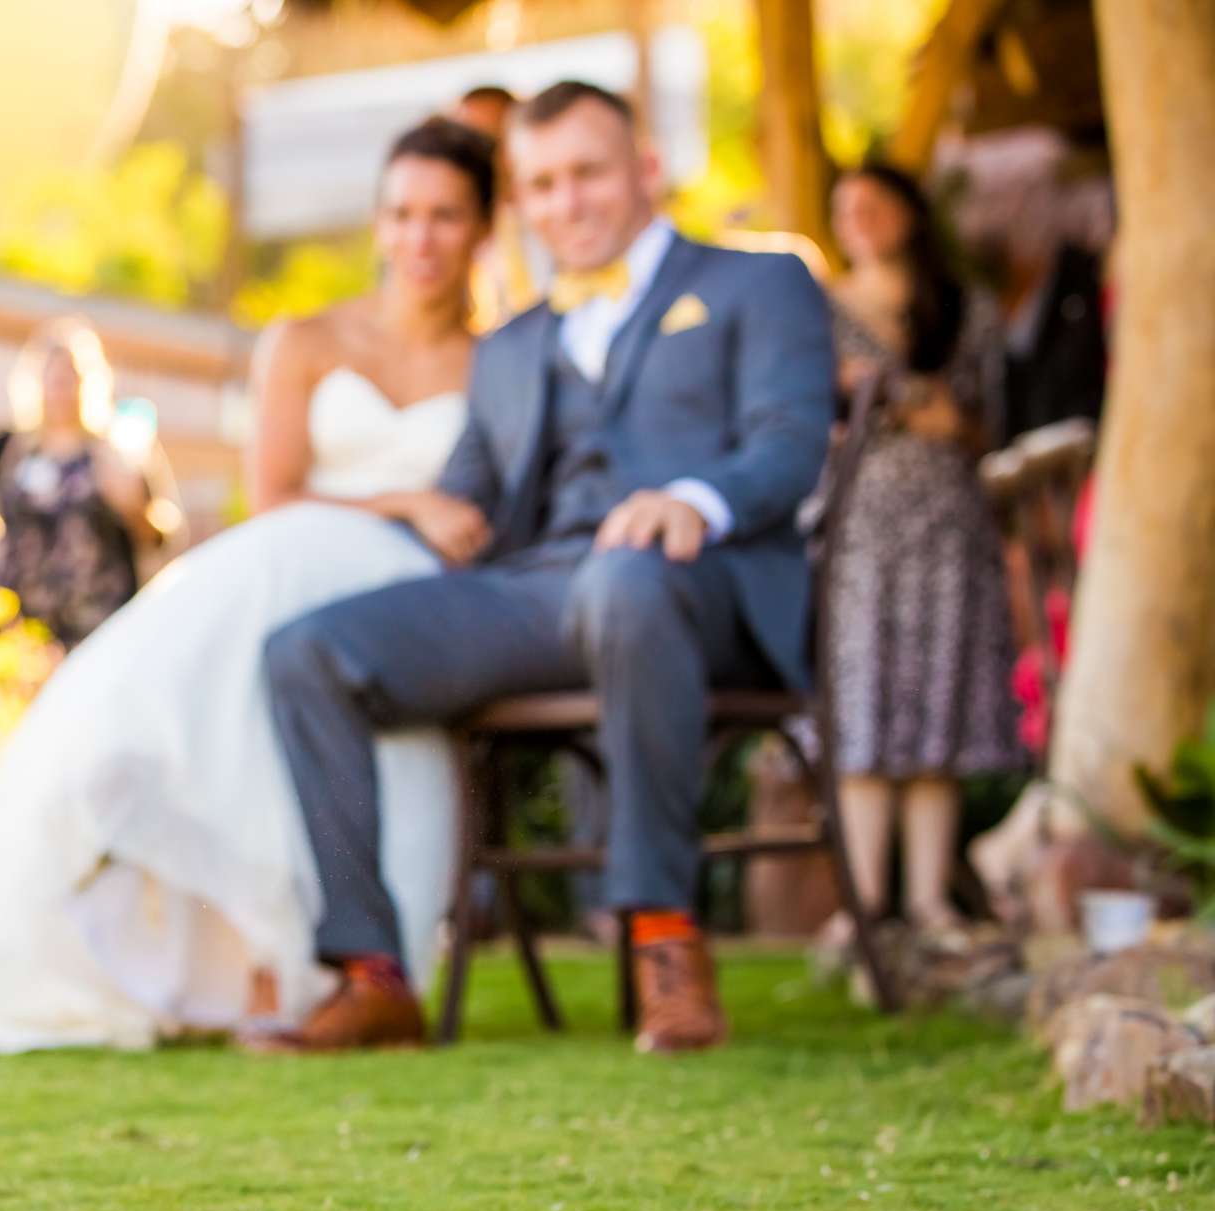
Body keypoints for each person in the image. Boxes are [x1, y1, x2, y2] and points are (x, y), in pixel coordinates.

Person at [0, 118, 494, 1051]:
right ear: (377, 222)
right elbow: (280, 492)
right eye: (402, 213)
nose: (420, 237)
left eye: (446, 216)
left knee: (302, 702)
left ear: (484, 228)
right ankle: (231, 947)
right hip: (295, 551)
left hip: (414, 593)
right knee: (177, 691)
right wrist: (411, 499)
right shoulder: (307, 339)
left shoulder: (504, 359)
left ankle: (306, 961)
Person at [260, 81, 835, 1054]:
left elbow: (790, 441)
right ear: (521, 202)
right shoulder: (515, 345)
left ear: (646, 170)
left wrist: (692, 500)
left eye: (588, 174)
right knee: (309, 651)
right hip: (539, 592)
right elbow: (469, 494)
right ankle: (374, 971)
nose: (567, 202)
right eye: (542, 184)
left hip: (703, 585)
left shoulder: (757, 284)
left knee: (628, 576)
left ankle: (664, 936)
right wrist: (421, 514)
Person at [821, 163, 1025, 948]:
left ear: (910, 213)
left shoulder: (962, 309)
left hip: (949, 523)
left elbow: (983, 421)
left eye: (873, 205)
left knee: (939, 701)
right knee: (866, 698)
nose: (859, 220)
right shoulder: (820, 310)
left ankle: (931, 902)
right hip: (863, 526)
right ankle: (865, 902)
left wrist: (909, 403)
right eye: (846, 209)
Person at [0, 318, 184, 648]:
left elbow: (163, 536)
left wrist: (132, 508)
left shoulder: (116, 448)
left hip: (94, 626)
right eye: (53, 377)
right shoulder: (16, 450)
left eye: (70, 377)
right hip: (24, 629)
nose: (61, 387)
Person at [451, 84, 553, 329]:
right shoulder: (456, 233)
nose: (478, 160)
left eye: (488, 142)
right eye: (464, 148)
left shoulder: (560, 211)